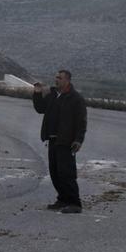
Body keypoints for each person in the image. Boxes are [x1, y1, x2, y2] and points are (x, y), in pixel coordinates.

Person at [32, 69, 88, 214]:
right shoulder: (52, 95)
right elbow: (40, 109)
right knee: (55, 172)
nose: (56, 80)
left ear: (67, 80)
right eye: (56, 77)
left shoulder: (76, 98)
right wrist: (37, 92)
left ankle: (75, 203)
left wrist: (78, 140)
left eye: (59, 78)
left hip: (66, 141)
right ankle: (62, 199)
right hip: (52, 140)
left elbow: (81, 122)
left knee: (67, 173)